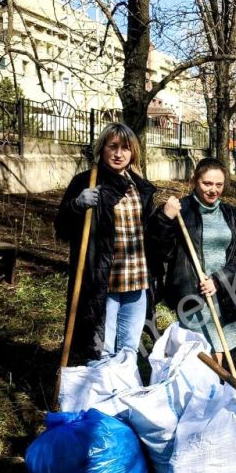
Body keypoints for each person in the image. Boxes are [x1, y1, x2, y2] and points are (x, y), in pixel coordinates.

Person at [54, 123, 161, 361]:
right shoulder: (86, 182)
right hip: (103, 283)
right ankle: (101, 394)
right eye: (112, 146)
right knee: (103, 350)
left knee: (129, 349)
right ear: (102, 149)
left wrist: (165, 219)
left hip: (137, 279)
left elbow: (150, 235)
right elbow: (61, 228)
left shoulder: (139, 187)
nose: (118, 153)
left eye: (125, 148)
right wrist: (77, 205)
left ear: (133, 152)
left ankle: (122, 395)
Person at [156, 158, 236, 369]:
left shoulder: (234, 216)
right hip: (193, 292)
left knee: (222, 346)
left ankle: (219, 391)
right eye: (207, 183)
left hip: (225, 292)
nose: (213, 190)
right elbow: (160, 250)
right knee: (196, 350)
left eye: (218, 184)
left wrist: (219, 280)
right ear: (195, 181)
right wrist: (165, 218)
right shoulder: (181, 212)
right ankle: (199, 394)